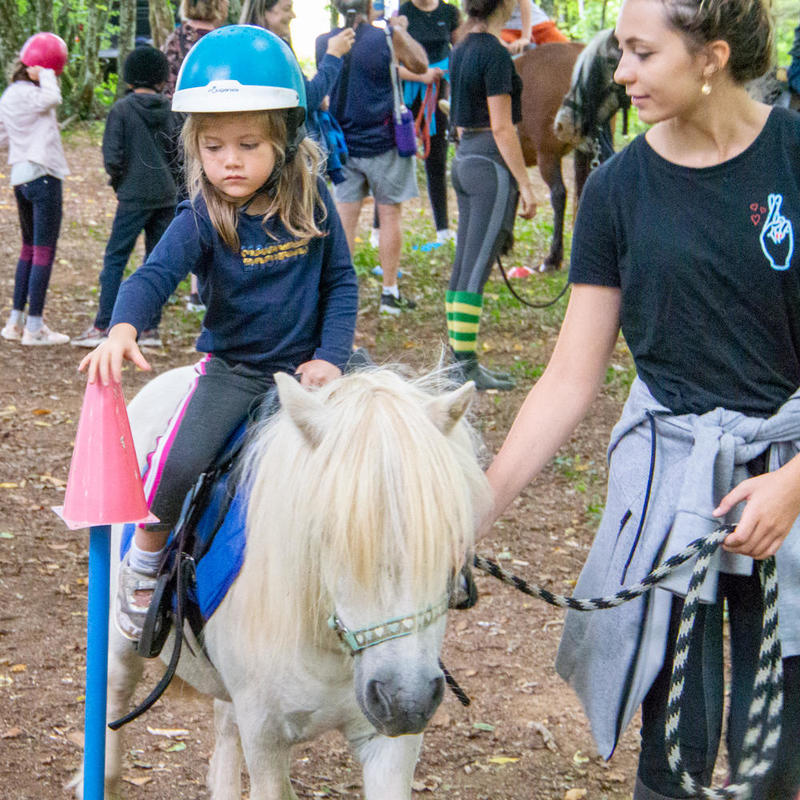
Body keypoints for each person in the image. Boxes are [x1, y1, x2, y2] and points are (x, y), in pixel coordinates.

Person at [484, 0, 800, 797]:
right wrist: (476, 505)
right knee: (673, 759)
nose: (619, 74)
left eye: (639, 53)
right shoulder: (617, 190)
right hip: (676, 494)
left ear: (711, 57)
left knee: (776, 759)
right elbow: (568, 377)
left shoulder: (795, 159)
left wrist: (795, 485)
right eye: (620, 52)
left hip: (792, 485)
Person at [79, 25, 358, 644]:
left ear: (284, 140)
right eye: (212, 147)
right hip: (237, 370)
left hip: (314, 366)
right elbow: (154, 275)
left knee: (382, 435)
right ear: (195, 148)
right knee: (178, 467)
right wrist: (123, 325)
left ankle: (383, 564)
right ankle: (146, 561)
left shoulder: (313, 201)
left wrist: (332, 359)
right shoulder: (205, 215)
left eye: (248, 144)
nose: (229, 161)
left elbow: (340, 285)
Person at [446, 0, 536, 391]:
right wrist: (527, 184)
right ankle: (464, 366)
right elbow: (503, 128)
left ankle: (456, 361)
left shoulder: (462, 48)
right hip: (489, 167)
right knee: (476, 269)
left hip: (463, 160)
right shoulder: (496, 55)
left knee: (463, 264)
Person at [316, 0, 428, 316]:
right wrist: (400, 32)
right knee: (390, 215)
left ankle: (341, 297)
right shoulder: (385, 39)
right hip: (385, 142)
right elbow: (420, 65)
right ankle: (389, 293)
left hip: (343, 145)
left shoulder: (324, 42)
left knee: (345, 220)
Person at [71, 47, 180, 349]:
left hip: (133, 196)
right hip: (166, 196)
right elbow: (178, 155)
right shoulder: (172, 110)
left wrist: (120, 183)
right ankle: (150, 329)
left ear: (130, 77)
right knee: (155, 262)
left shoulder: (121, 110)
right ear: (161, 78)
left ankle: (104, 323)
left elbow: (113, 156)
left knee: (116, 258)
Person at [0, 33, 70, 346]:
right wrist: (45, 74)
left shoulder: (9, 96)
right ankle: (35, 326)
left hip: (21, 176)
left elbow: (2, 138)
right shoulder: (33, 91)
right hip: (43, 175)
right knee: (43, 250)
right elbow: (53, 98)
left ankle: (15, 322)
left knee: (29, 248)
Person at [161, 0, 231, 312]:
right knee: (220, 201)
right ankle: (209, 288)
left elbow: (167, 90)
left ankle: (196, 291)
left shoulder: (175, 40)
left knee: (194, 203)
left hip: (185, 133)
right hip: (224, 133)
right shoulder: (225, 42)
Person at [239, 0, 355, 174]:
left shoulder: (246, 48)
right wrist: (334, 54)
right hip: (282, 154)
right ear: (264, 12)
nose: (293, 15)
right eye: (286, 9)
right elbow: (308, 99)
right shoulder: (274, 49)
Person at [397, 0, 461, 244]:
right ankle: (380, 228)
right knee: (397, 155)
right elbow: (391, 64)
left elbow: (459, 49)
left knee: (437, 156)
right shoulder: (403, 13)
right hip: (408, 92)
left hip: (439, 91)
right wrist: (420, 75)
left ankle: (443, 229)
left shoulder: (449, 12)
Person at [501, 0, 567, 54]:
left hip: (538, 25)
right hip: (507, 31)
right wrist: (501, 43)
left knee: (566, 49)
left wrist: (525, 37)